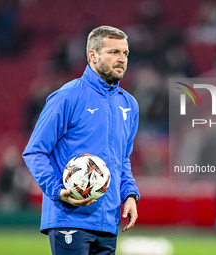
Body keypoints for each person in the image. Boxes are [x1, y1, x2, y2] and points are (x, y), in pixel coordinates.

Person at [23, 25, 140, 255]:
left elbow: (122, 159)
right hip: (69, 218)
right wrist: (58, 191)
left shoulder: (129, 105)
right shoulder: (68, 96)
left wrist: (129, 194)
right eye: (113, 52)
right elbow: (35, 152)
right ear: (93, 55)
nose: (122, 59)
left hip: (108, 221)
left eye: (125, 53)